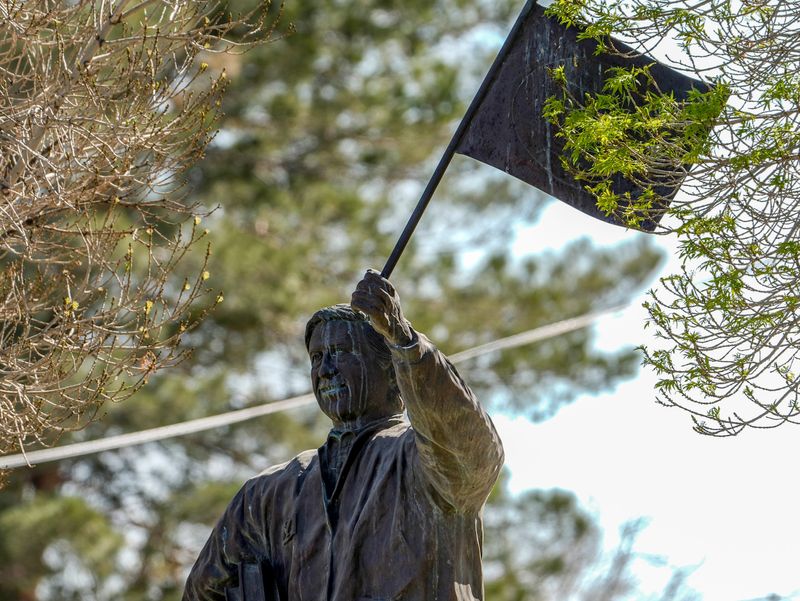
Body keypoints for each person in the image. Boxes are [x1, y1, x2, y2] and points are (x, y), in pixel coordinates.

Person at [183, 270, 504, 601]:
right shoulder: (267, 495)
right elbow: (204, 591)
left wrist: (403, 341)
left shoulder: (422, 462)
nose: (325, 369)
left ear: (391, 370)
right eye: (317, 358)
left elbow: (473, 453)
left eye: (340, 352)